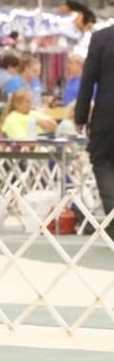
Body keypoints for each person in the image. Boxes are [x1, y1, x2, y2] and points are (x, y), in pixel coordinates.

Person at [75, 22, 114, 237]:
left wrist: (80, 115)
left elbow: (88, 79)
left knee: (102, 161)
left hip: (107, 112)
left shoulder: (100, 38)